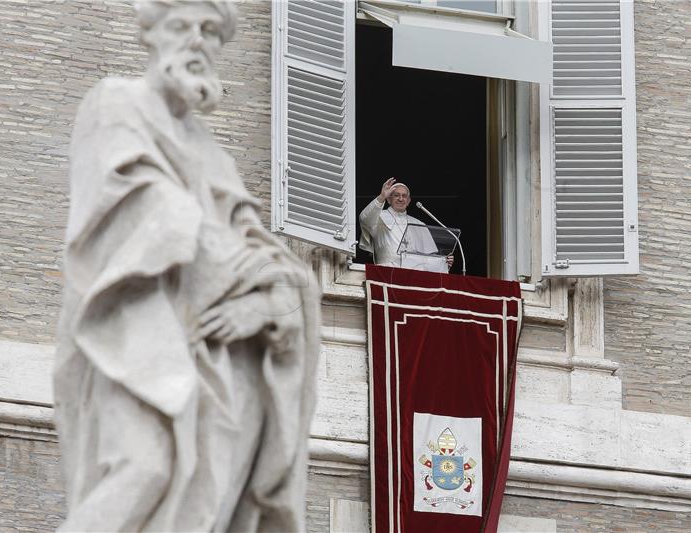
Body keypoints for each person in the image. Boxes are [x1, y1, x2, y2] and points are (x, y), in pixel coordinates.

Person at [53, 1, 320, 531]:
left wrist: (267, 306)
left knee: (209, 504)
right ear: (151, 34)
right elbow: (142, 213)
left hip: (217, 357)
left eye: (211, 32)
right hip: (133, 334)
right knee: (144, 467)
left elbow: (273, 264)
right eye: (182, 26)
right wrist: (245, 274)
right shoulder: (117, 103)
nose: (197, 41)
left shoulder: (215, 155)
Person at [359, 177, 454, 270]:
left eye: (404, 196)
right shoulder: (379, 217)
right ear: (388, 199)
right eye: (396, 195)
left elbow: (428, 258)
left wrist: (444, 261)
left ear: (408, 201)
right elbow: (364, 219)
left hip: (414, 277)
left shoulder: (418, 224)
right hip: (387, 273)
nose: (401, 199)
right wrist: (381, 197)